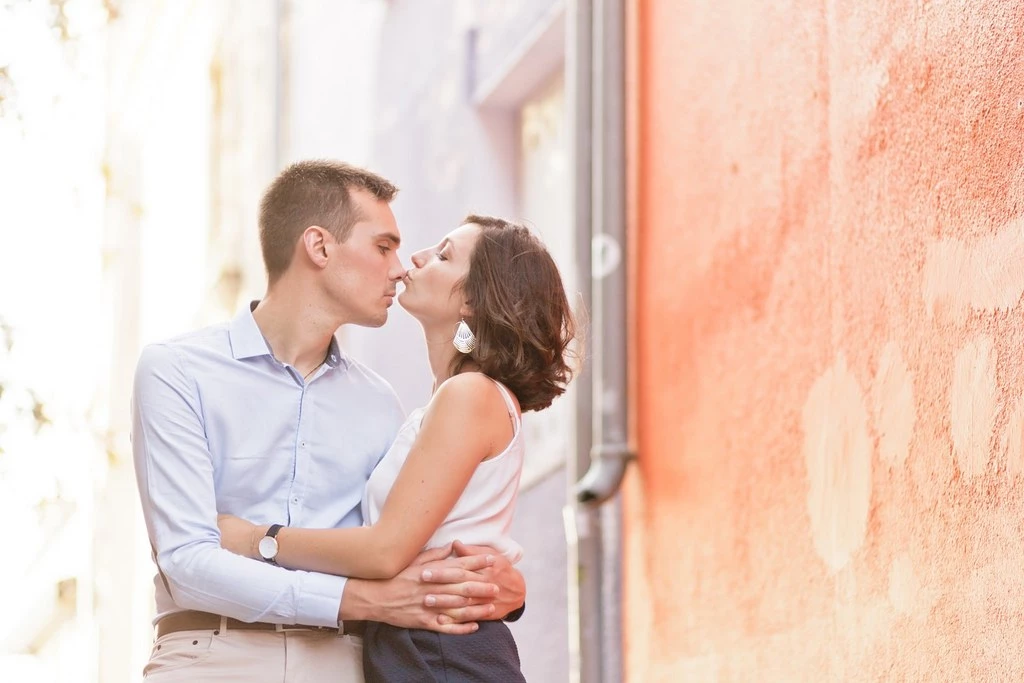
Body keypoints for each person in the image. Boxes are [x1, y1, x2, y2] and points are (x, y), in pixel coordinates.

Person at [131, 160, 526, 683]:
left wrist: (506, 586)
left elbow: (408, 541)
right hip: (212, 655)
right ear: (319, 247)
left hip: (347, 661)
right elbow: (186, 563)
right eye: (383, 247)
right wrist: (363, 601)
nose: (400, 267)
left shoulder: (382, 403)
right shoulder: (177, 371)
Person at [217, 214, 577, 681]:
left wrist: (256, 538)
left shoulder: (470, 394)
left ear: (472, 300)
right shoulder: (450, 400)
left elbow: (385, 550)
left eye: (443, 255)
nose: (417, 258)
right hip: (421, 643)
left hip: (441, 649)